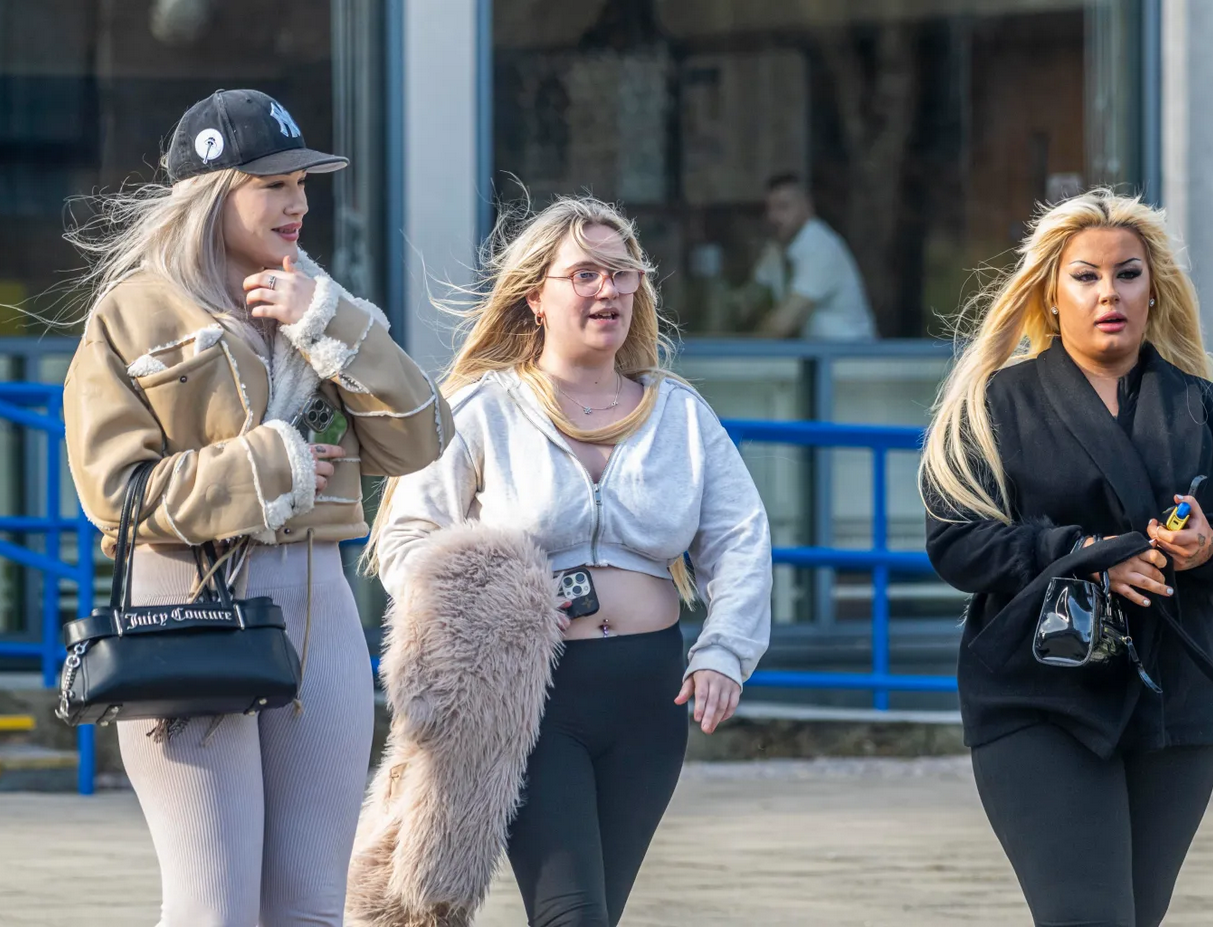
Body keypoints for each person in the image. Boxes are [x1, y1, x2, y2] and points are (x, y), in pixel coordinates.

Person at [61, 88, 451, 925]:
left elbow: (421, 439)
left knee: (310, 909)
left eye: (302, 182)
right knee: (213, 908)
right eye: (272, 184)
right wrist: (272, 464)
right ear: (211, 193)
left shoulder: (321, 300)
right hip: (184, 602)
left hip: (320, 605)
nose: (297, 202)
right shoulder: (132, 311)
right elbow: (114, 493)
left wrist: (332, 325)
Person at [365, 195, 773, 927]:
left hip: (650, 696)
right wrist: (481, 608)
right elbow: (406, 538)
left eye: (622, 272)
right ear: (536, 297)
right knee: (571, 915)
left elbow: (741, 539)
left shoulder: (680, 413)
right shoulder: (483, 406)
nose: (608, 289)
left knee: (595, 915)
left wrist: (725, 652)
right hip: (530, 694)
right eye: (585, 273)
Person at [919, 189, 1213, 926]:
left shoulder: (1206, 408)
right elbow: (955, 541)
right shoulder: (995, 406)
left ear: (1155, 290)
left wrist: (1212, 545)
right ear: (1051, 294)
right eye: (1085, 276)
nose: (1108, 293)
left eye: (1127, 273)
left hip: (1176, 709)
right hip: (1037, 698)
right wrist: (1085, 555)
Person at [746, 173, 875, 339]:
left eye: (783, 207)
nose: (773, 217)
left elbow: (782, 324)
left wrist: (738, 351)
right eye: (769, 209)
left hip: (849, 351)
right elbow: (750, 300)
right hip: (814, 351)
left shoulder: (819, 247)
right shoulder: (776, 249)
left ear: (807, 207)